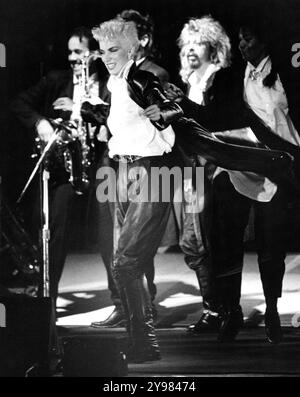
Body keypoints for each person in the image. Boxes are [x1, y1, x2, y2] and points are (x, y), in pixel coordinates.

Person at [92, 18, 183, 362]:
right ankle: (140, 339)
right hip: (125, 170)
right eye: (102, 51)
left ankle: (144, 342)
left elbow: (175, 109)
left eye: (113, 50)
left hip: (151, 171)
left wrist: (164, 111)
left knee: (126, 261)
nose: (106, 57)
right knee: (127, 261)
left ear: (132, 48)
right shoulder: (115, 84)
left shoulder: (142, 77)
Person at [12, 27, 108, 305]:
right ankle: (47, 299)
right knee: (56, 233)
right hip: (67, 170)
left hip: (101, 168)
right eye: (69, 51)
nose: (71, 57)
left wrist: (90, 115)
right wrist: (40, 122)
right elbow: (19, 103)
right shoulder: (57, 80)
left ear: (95, 53)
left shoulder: (109, 83)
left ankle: (124, 305)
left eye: (78, 51)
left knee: (109, 238)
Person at [173, 16, 232, 334]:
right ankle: (215, 306)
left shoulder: (218, 81)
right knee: (193, 243)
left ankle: (219, 308)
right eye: (188, 43)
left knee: (206, 241)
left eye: (199, 42)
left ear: (214, 47)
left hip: (211, 171)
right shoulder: (192, 83)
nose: (192, 49)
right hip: (191, 170)